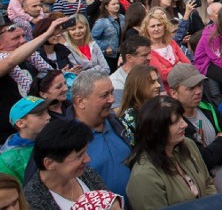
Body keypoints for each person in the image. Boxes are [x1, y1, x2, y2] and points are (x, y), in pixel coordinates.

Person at [125, 96, 216, 210]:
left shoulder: (188, 145)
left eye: (182, 118)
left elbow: (208, 184)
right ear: (157, 130)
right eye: (176, 122)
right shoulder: (144, 176)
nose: (185, 125)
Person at [168, 63, 222, 193]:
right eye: (191, 88)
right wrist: (221, 140)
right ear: (174, 93)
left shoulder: (209, 109)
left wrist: (213, 154)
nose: (198, 91)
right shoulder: (174, 125)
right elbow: (202, 160)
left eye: (200, 85)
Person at [0, 15, 68, 143]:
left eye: (23, 36)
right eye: (16, 38)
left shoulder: (32, 58)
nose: (23, 41)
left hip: (36, 131)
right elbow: (10, 62)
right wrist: (47, 34)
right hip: (8, 139)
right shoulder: (6, 60)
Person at [68, 71, 131, 199]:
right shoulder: (65, 141)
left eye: (112, 92)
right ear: (81, 101)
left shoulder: (115, 123)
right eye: (104, 95)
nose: (112, 99)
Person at [22, 119, 109, 210]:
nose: (88, 159)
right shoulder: (31, 201)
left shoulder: (86, 173)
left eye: (85, 152)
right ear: (50, 163)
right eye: (79, 156)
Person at [0, 96, 53, 184]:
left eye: (47, 112)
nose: (48, 117)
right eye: (40, 114)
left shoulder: (52, 138)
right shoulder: (7, 160)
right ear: (21, 123)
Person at [140, 7, 190, 91]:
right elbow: (163, 75)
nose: (156, 29)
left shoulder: (171, 43)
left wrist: (171, 69)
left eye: (159, 25)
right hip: (166, 91)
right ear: (146, 30)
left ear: (164, 27)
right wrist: (178, 64)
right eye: (152, 26)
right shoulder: (148, 50)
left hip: (185, 86)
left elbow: (188, 64)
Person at [115, 65, 161, 146]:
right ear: (139, 85)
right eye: (152, 82)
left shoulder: (158, 108)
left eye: (157, 81)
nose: (158, 85)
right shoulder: (130, 117)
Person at [109, 35, 151, 109]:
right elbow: (119, 112)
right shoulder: (116, 82)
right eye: (144, 55)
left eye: (149, 54)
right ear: (129, 58)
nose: (149, 58)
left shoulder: (151, 72)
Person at [91, 0, 124, 73]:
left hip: (121, 53)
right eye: (113, 4)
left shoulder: (122, 18)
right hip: (108, 55)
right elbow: (92, 39)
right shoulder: (102, 22)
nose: (116, 6)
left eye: (117, 4)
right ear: (106, 6)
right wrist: (105, 47)